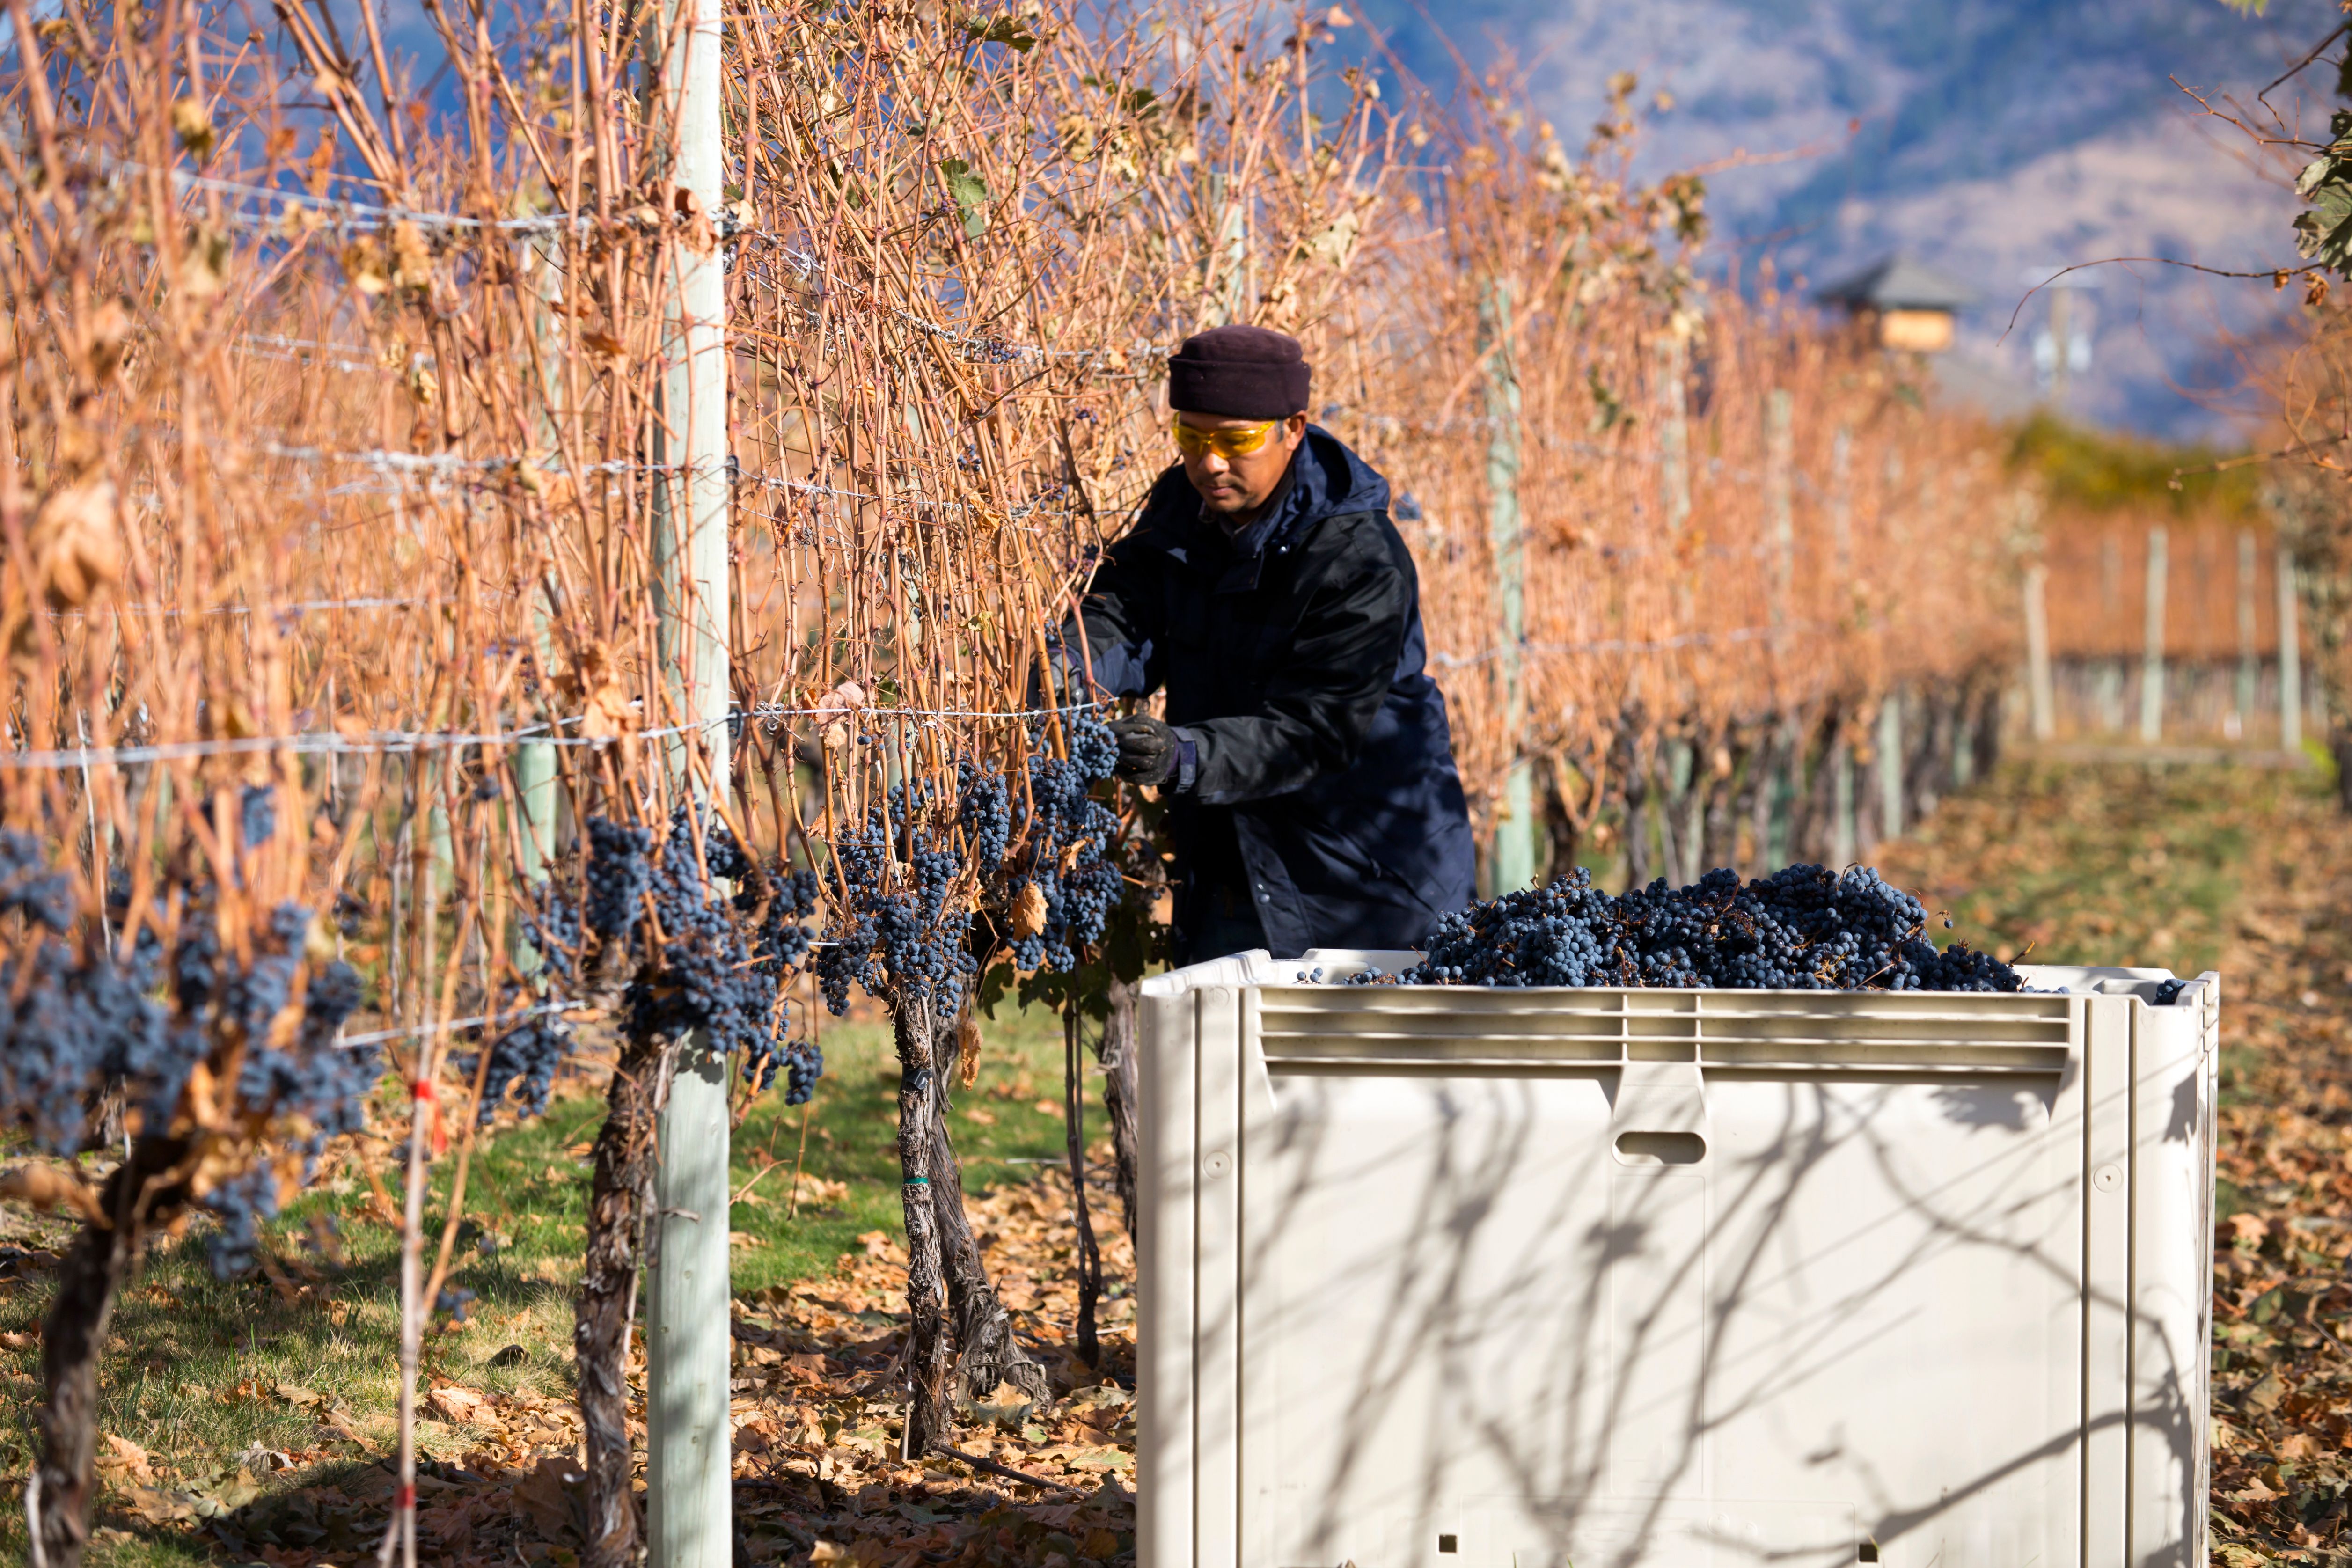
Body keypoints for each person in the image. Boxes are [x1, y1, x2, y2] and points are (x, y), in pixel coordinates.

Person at [1065, 323, 1475, 963]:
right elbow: (1127, 613)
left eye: (1234, 441)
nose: (1209, 463)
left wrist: (1183, 757)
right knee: (1225, 1056)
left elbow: (1317, 730)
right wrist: (1070, 671)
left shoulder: (1359, 560)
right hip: (1230, 862)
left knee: (1359, 1061)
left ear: (1294, 427)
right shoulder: (1181, 507)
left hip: (1366, 875)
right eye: (1191, 438)